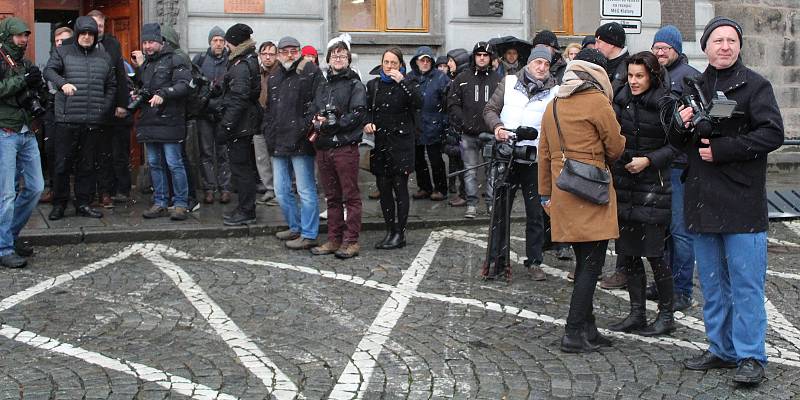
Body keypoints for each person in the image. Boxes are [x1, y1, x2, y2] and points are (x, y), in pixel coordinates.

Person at [668, 17, 783, 384]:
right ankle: (721, 348)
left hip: (742, 201)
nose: (725, 46)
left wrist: (724, 149)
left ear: (739, 46)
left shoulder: (756, 86)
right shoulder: (693, 87)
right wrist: (680, 122)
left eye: (732, 40)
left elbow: (772, 133)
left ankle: (751, 356)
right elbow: (674, 141)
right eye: (718, 40)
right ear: (705, 47)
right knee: (714, 285)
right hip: (702, 200)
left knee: (747, 285)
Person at [538, 48, 625, 352]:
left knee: (583, 260)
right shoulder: (598, 101)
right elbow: (615, 148)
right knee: (591, 266)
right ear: (597, 74)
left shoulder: (553, 104)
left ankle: (588, 329)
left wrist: (545, 194)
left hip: (564, 190)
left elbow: (544, 154)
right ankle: (573, 332)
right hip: (592, 190)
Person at [608, 51, 677, 337]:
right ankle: (637, 312)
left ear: (652, 76)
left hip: (653, 187)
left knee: (655, 254)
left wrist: (649, 160)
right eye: (631, 76)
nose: (634, 81)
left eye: (640, 76)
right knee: (628, 253)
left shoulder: (665, 104)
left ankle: (666, 314)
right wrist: (621, 157)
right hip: (625, 185)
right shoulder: (620, 99)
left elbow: (676, 146)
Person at [482, 47, 558, 281]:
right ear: (529, 63)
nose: (542, 67)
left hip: (535, 159)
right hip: (507, 155)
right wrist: (498, 128)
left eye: (546, 64)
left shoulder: (555, 90)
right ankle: (497, 259)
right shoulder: (509, 81)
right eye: (538, 62)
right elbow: (490, 109)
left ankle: (534, 261)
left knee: (535, 214)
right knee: (500, 211)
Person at [645, 25, 701, 312]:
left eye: (665, 47)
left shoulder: (689, 77)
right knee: (663, 229)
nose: (660, 51)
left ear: (677, 49)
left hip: (680, 165)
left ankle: (681, 290)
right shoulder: (658, 76)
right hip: (661, 163)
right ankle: (664, 284)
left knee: (680, 231)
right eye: (656, 47)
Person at [44, 16, 115, 221]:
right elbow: (48, 71)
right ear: (77, 34)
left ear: (95, 36)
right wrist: (62, 83)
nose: (86, 37)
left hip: (93, 120)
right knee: (62, 165)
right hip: (66, 119)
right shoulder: (63, 51)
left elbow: (111, 85)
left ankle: (83, 204)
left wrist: (105, 106)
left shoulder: (104, 57)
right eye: (82, 33)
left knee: (87, 165)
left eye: (90, 34)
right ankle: (59, 204)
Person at [308, 35, 366, 259]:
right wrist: (316, 121)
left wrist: (335, 124)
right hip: (324, 148)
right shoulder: (322, 84)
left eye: (342, 55)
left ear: (349, 58)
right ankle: (334, 238)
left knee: (350, 196)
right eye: (334, 55)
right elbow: (314, 108)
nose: (338, 58)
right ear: (328, 59)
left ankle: (351, 241)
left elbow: (358, 114)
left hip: (345, 147)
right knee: (331, 196)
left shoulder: (355, 84)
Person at [263, 36, 322, 250]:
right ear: (279, 53)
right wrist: (268, 131)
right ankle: (295, 226)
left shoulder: (310, 72)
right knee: (281, 190)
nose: (290, 54)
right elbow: (269, 108)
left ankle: (309, 233)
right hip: (278, 140)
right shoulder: (275, 76)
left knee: (306, 190)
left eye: (293, 50)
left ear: (299, 52)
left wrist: (303, 127)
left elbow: (318, 104)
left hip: (300, 141)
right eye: (285, 51)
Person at [130, 23, 191, 221]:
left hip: (170, 120)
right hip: (149, 120)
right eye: (145, 42)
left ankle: (181, 203)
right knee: (155, 163)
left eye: (151, 42)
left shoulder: (176, 59)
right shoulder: (146, 64)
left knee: (174, 163)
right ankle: (160, 202)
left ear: (161, 42)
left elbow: (183, 86)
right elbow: (145, 87)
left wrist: (164, 94)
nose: (147, 46)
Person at [364, 48, 421, 250]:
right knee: (384, 189)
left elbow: (418, 101)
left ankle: (400, 232)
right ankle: (390, 230)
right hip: (380, 144)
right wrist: (367, 123)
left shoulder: (407, 84)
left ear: (400, 65)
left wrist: (402, 81)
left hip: (401, 144)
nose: (389, 66)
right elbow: (366, 110)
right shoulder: (374, 85)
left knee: (400, 188)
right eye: (386, 62)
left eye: (393, 63)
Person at [0, 17, 45, 268]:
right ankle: (3, 248)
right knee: (5, 194)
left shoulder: (24, 62)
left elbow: (30, 91)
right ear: (8, 36)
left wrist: (38, 88)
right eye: (19, 36)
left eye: (26, 35)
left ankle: (9, 235)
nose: (24, 40)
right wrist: (23, 80)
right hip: (5, 131)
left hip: (27, 131)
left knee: (36, 187)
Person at [447, 41, 501, 219]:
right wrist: (464, 122)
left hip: (491, 134)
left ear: (490, 58)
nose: (482, 58)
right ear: (474, 57)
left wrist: (497, 125)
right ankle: (471, 204)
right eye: (479, 55)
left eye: (485, 55)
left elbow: (505, 105)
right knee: (469, 171)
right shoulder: (463, 78)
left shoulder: (499, 80)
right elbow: (453, 103)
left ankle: (491, 204)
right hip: (467, 135)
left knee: (492, 170)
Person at [215, 24, 261, 226]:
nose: (225, 45)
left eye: (227, 41)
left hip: (239, 126)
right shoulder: (244, 61)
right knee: (243, 169)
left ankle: (246, 210)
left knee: (242, 170)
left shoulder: (241, 64)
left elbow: (239, 99)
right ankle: (244, 208)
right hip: (242, 124)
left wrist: (226, 126)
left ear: (234, 42)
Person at [87, 10, 130, 209]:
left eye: (101, 26)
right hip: (87, 106)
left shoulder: (113, 44)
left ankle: (109, 191)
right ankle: (89, 192)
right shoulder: (79, 43)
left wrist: (122, 104)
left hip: (111, 107)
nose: (98, 29)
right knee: (89, 152)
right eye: (95, 25)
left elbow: (120, 75)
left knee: (110, 151)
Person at [193, 26, 232, 205]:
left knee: (224, 152)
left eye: (221, 40)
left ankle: (225, 188)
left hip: (223, 113)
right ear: (210, 42)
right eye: (215, 40)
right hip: (204, 113)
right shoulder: (200, 59)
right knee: (206, 152)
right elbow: (193, 85)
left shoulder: (231, 60)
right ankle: (209, 188)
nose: (218, 43)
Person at [408, 46, 450, 202]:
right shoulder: (410, 78)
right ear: (416, 62)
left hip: (434, 124)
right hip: (416, 124)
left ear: (431, 62)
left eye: (428, 60)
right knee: (418, 159)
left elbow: (447, 103)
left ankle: (441, 189)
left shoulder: (441, 78)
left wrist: (444, 122)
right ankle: (424, 187)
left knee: (436, 159)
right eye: (422, 60)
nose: (425, 63)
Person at [39, 26, 73, 205]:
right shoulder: (48, 62)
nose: (60, 44)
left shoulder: (77, 59)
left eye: (64, 40)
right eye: (57, 41)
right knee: (51, 151)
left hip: (73, 110)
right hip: (51, 111)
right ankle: (55, 190)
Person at [255, 40, 278, 205]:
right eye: (265, 54)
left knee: (276, 157)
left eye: (271, 54)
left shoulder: (281, 73)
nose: (268, 57)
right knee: (261, 156)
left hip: (276, 120)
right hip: (259, 119)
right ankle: (269, 187)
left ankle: (279, 190)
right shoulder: (256, 72)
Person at [594, 22, 629, 98]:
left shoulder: (628, 67)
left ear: (611, 43)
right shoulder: (602, 63)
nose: (595, 47)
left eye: (598, 42)